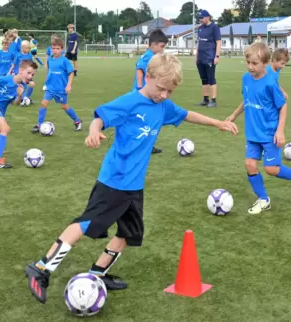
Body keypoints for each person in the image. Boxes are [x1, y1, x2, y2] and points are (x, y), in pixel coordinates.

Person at [24, 52, 238, 304]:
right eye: (161, 88)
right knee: (85, 224)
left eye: (169, 91)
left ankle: (98, 273)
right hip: (114, 179)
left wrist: (217, 123)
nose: (164, 95)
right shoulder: (129, 102)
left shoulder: (163, 106)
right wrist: (93, 132)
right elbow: (100, 118)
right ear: (147, 77)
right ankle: (40, 269)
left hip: (134, 184)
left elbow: (187, 114)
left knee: (129, 233)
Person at [226, 43, 291, 214]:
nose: (250, 67)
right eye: (248, 62)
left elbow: (283, 106)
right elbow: (247, 100)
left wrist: (280, 131)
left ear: (265, 63)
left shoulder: (271, 83)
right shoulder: (245, 79)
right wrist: (233, 115)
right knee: (250, 165)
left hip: (269, 133)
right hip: (252, 133)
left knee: (271, 169)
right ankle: (263, 199)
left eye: (254, 63)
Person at [31, 37, 82, 133]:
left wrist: (68, 85)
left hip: (61, 89)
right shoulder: (50, 59)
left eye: (57, 49)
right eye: (53, 48)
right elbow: (49, 72)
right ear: (51, 49)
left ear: (62, 49)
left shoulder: (64, 60)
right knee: (43, 104)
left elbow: (71, 73)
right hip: (50, 88)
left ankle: (77, 121)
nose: (55, 51)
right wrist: (46, 84)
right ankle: (39, 124)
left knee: (64, 106)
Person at [133, 29, 169, 154]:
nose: (162, 49)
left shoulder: (151, 56)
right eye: (161, 46)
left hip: (149, 93)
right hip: (144, 93)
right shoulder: (148, 57)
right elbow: (139, 70)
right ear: (153, 44)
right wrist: (139, 87)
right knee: (146, 118)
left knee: (149, 118)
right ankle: (142, 144)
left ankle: (147, 144)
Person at [195, 9, 221, 107]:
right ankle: (205, 99)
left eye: (202, 18)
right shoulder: (200, 28)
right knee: (203, 79)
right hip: (200, 58)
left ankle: (213, 100)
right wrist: (196, 56)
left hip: (209, 57)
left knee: (211, 78)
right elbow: (199, 43)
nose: (200, 20)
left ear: (207, 17)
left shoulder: (214, 27)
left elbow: (218, 42)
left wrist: (217, 56)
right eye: (199, 18)